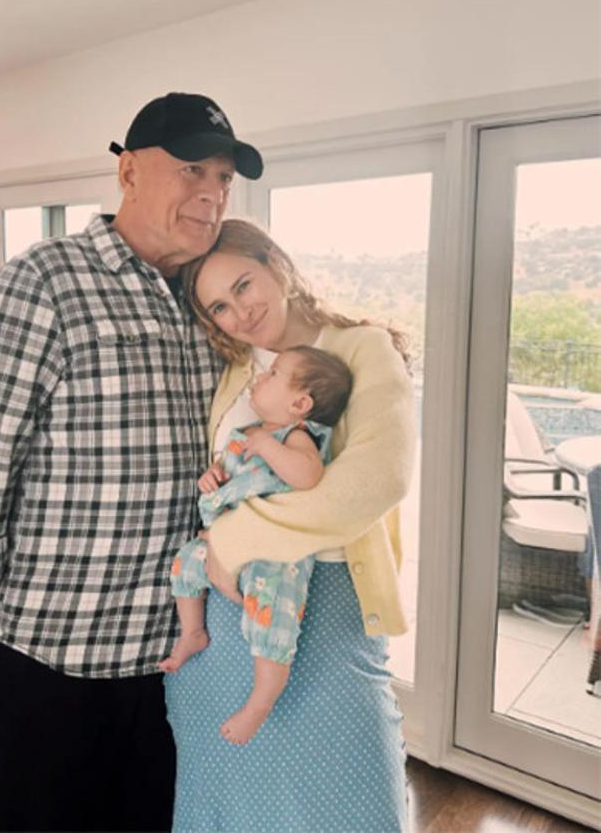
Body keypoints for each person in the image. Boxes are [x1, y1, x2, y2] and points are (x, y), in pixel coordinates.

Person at [0, 92, 263, 833]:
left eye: (224, 178)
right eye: (192, 169)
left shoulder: (209, 297)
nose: (212, 193)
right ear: (129, 171)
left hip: (180, 655)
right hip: (63, 648)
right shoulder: (45, 278)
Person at [164, 218, 417, 832]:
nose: (240, 313)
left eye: (243, 286)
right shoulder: (235, 372)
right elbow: (232, 469)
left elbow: (372, 483)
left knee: (346, 798)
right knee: (228, 797)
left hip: (324, 605)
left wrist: (229, 541)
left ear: (275, 264)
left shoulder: (359, 349)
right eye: (219, 307)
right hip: (221, 619)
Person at [161, 345, 352, 745]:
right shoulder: (248, 432)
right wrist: (213, 475)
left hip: (275, 552)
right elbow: (230, 470)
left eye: (273, 374)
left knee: (273, 617)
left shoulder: (296, 436)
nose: (261, 377)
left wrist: (269, 446)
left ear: (300, 404)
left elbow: (308, 476)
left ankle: (260, 702)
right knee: (185, 562)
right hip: (226, 539)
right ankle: (193, 631)